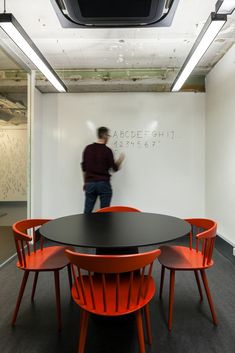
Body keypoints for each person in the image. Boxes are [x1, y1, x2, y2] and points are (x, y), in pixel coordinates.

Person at [81, 126, 125, 214]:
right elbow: (114, 168)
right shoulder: (107, 151)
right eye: (108, 135)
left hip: (90, 183)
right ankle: (103, 228)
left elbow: (84, 168)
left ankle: (85, 227)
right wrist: (120, 159)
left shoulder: (88, 148)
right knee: (104, 213)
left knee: (87, 212)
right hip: (103, 184)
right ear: (104, 135)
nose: (108, 137)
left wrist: (85, 182)